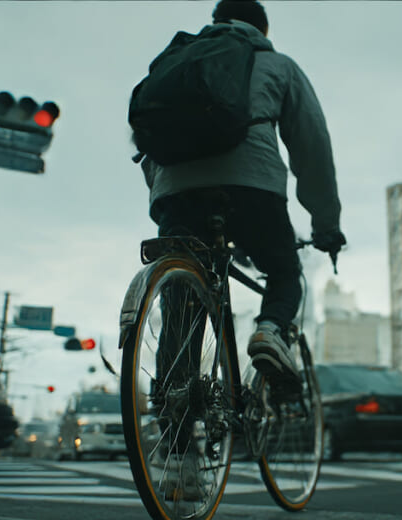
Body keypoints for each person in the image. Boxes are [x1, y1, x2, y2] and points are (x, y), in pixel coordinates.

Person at [139, 0, 345, 386]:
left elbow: (148, 136)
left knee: (182, 298)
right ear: (262, 30)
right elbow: (312, 146)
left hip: (175, 192)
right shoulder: (277, 65)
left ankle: (173, 399)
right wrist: (326, 226)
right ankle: (269, 330)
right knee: (284, 273)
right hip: (252, 186)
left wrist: (164, 198)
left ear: (215, 22)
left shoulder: (178, 63)